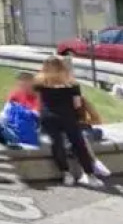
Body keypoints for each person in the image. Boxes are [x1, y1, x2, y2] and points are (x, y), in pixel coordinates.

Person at [35, 55, 110, 186]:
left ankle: (66, 174)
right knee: (78, 143)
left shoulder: (39, 83)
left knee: (57, 143)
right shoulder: (72, 84)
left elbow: (36, 103)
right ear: (62, 67)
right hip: (68, 117)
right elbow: (77, 105)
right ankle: (90, 174)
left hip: (48, 117)